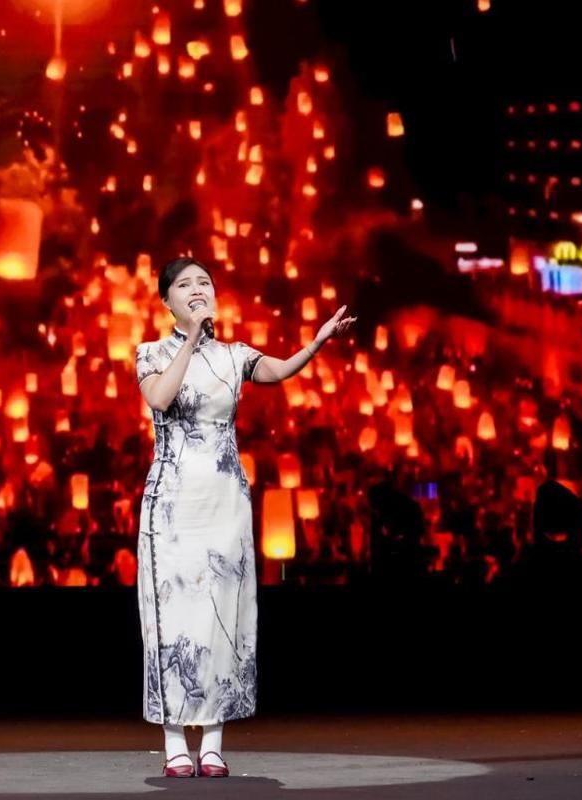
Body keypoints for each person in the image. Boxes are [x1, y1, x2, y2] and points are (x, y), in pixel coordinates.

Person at [134, 257, 356, 778]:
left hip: (225, 501)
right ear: (166, 300)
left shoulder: (235, 356)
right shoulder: (151, 352)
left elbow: (277, 371)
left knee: (222, 618)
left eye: (204, 282)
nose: (197, 289)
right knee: (173, 620)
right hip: (172, 504)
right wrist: (191, 338)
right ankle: (174, 744)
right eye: (185, 284)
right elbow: (161, 399)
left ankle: (212, 742)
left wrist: (318, 342)